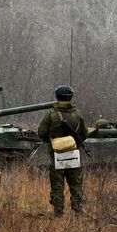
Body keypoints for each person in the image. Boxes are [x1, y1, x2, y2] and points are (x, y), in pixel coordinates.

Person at [37, 85, 87, 217]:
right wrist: (72, 143)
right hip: (73, 153)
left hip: (56, 154)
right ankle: (77, 211)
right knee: (76, 184)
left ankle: (58, 213)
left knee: (57, 185)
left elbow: (41, 132)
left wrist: (53, 141)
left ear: (57, 96)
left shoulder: (51, 115)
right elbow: (84, 134)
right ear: (71, 97)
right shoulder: (77, 114)